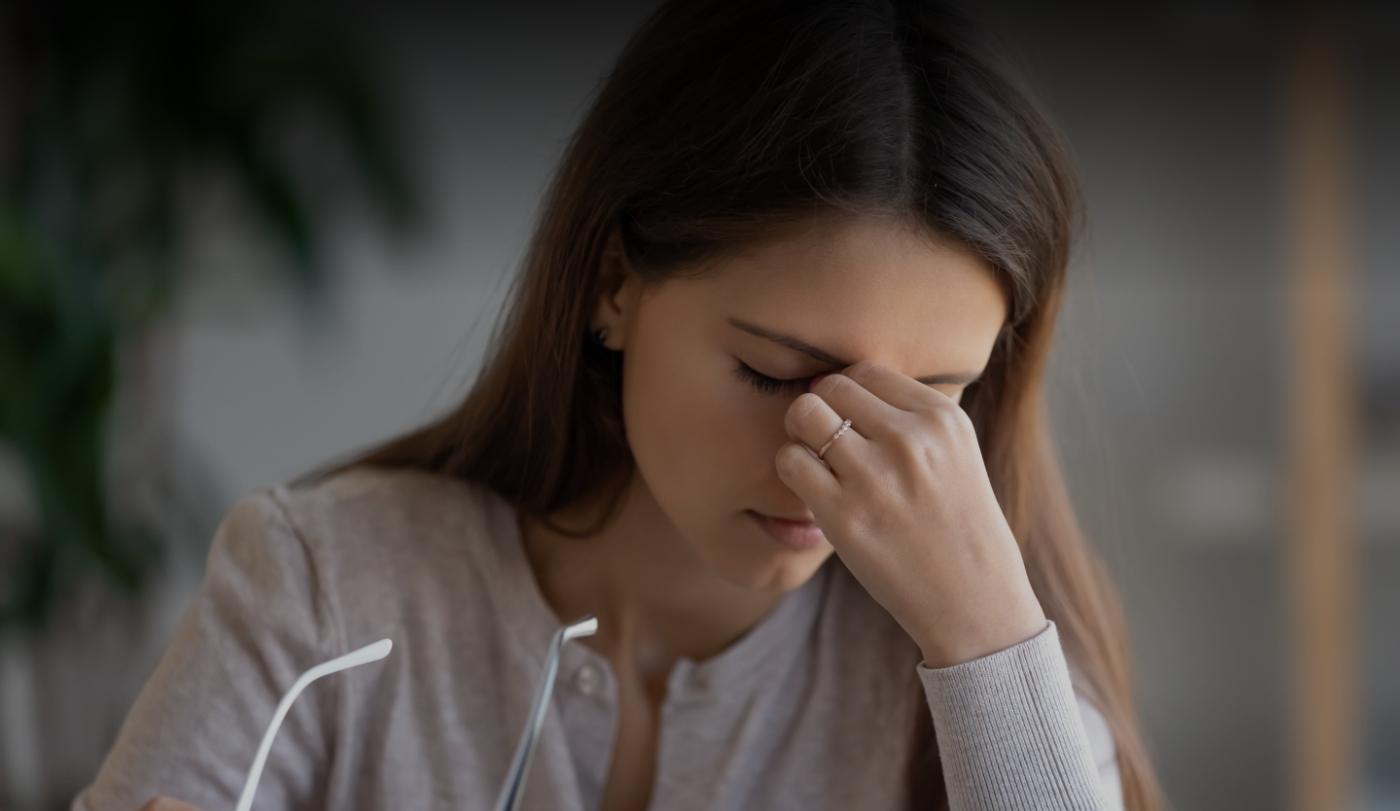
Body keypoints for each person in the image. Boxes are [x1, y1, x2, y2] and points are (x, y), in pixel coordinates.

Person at [73, 0, 1166, 808]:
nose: (821, 466)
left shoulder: (986, 677)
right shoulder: (326, 586)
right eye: (776, 373)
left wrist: (983, 633)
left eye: (928, 401)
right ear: (611, 287)